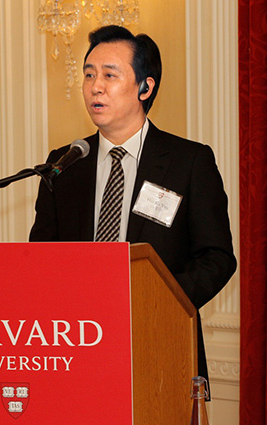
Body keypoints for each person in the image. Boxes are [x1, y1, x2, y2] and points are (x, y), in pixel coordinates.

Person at [29, 25, 236, 394]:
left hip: (161, 344)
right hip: (78, 348)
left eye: (109, 75)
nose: (95, 87)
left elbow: (216, 258)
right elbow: (43, 256)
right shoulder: (65, 164)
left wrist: (155, 302)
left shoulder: (188, 162)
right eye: (89, 75)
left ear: (145, 87)